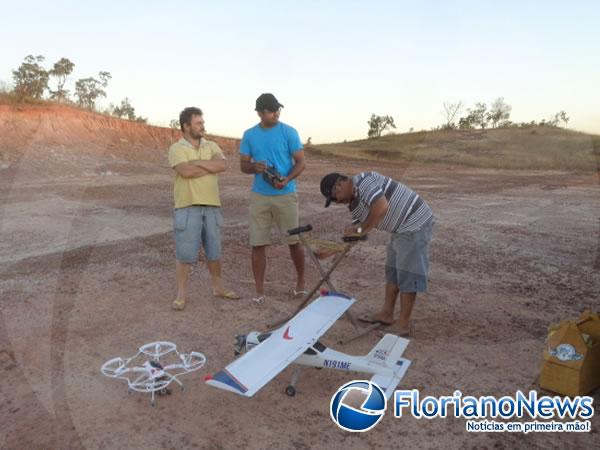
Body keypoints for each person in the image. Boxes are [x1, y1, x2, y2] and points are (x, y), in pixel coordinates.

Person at [320, 171, 434, 336]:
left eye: (335, 197)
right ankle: (386, 314)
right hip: (399, 229)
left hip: (414, 222)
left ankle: (403, 324)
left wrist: (362, 230)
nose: (337, 202)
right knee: (392, 270)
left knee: (407, 273)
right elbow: (358, 231)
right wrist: (333, 250)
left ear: (339, 184)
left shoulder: (365, 181)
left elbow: (381, 207)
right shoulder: (353, 205)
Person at [167, 106, 239, 310]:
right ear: (186, 126)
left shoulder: (211, 145)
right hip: (187, 206)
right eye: (198, 123)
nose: (203, 126)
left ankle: (218, 287)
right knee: (185, 253)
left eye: (202, 122)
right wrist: (208, 166)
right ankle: (181, 294)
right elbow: (185, 171)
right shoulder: (176, 148)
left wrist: (198, 161)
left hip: (212, 206)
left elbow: (223, 166)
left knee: (214, 251)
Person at [240, 93, 306, 304]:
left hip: (286, 195)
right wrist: (254, 167)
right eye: (271, 110)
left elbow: (301, 163)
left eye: (278, 109)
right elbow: (243, 166)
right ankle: (259, 292)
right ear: (260, 113)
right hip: (260, 196)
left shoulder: (289, 132)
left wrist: (286, 179)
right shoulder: (249, 135)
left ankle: (301, 284)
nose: (276, 113)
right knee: (258, 244)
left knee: (293, 241)